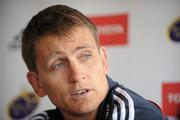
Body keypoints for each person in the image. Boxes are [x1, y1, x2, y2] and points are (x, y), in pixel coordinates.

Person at [21, 4, 168, 120]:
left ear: (103, 61)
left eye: (85, 56)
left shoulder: (136, 115)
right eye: (58, 64)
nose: (77, 75)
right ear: (37, 84)